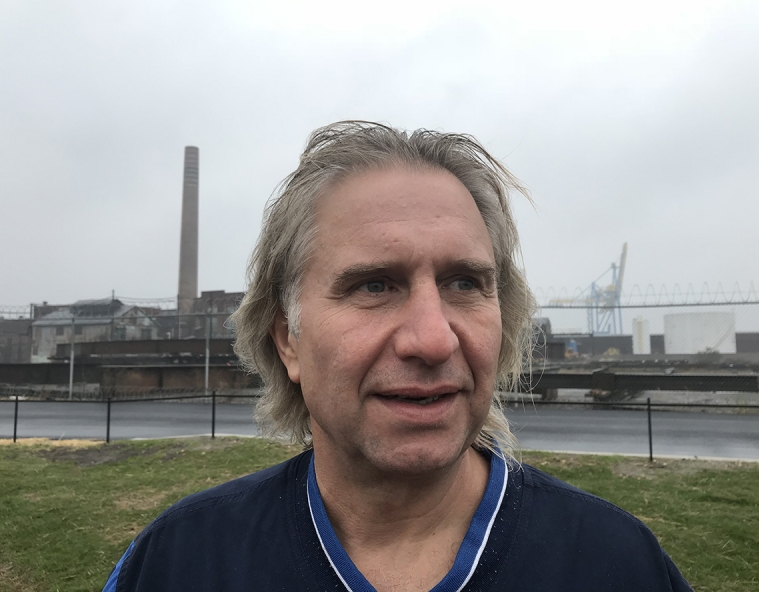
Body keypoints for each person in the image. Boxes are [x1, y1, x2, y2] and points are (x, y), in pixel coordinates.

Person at [103, 122, 693, 591]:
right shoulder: (180, 562)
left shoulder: (618, 564)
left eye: (464, 283)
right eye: (374, 286)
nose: (434, 340)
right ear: (289, 340)